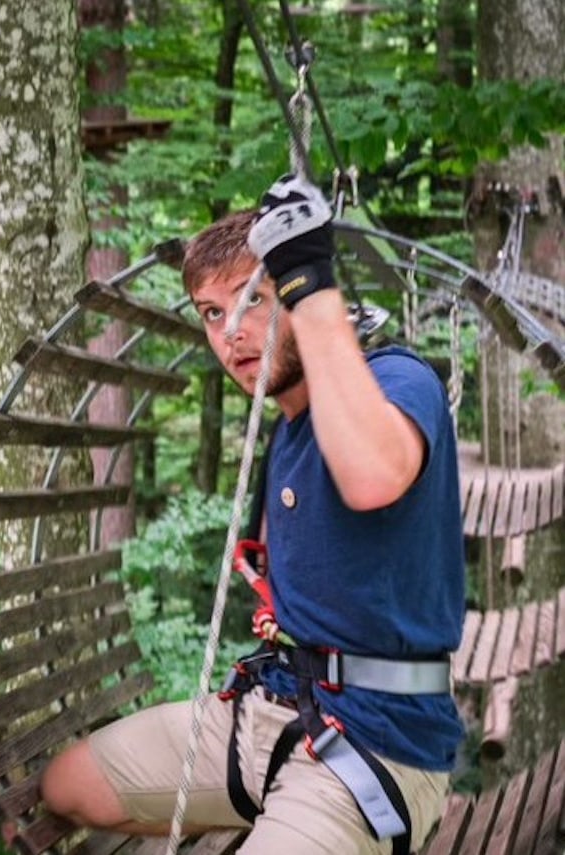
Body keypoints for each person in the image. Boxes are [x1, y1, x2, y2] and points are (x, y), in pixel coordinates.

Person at [40, 175, 465, 854]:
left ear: (300, 293)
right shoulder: (286, 431)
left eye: (253, 300)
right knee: (64, 786)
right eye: (211, 313)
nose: (231, 333)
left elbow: (374, 475)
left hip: (378, 746)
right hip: (271, 712)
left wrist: (312, 280)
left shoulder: (397, 380)